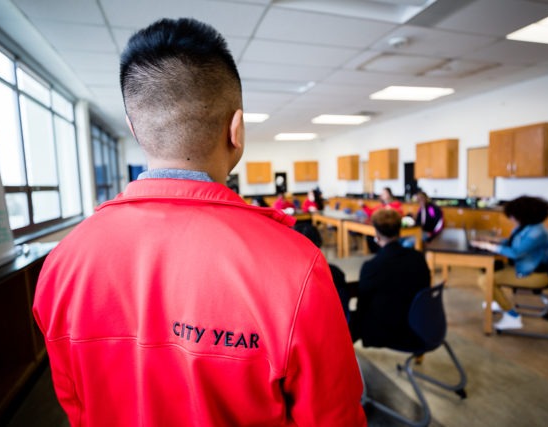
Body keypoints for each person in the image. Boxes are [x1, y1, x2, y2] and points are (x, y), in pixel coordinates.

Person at [33, 18, 365, 426]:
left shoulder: (62, 263)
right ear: (236, 130)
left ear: (136, 130)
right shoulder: (298, 267)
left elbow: (75, 402)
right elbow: (334, 418)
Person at [470, 196, 548, 330]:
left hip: (534, 275)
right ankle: (497, 300)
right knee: (490, 269)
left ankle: (513, 317)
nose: (511, 219)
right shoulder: (526, 227)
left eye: (512, 216)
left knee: (485, 280)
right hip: (523, 268)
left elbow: (515, 252)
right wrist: (492, 240)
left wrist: (488, 246)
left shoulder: (537, 232)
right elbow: (512, 242)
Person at [353, 209, 431, 348]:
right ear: (399, 230)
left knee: (349, 318)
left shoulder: (372, 267)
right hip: (421, 325)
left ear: (376, 234)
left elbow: (362, 306)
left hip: (390, 332)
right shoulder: (418, 258)